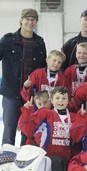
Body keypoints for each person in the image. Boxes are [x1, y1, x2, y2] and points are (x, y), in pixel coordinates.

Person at [0, 8, 47, 146]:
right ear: (21, 20)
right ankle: (5, 162)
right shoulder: (8, 40)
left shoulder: (39, 42)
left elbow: (42, 68)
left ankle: (23, 161)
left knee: (28, 129)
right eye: (27, 19)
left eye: (33, 19)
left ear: (36, 22)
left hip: (30, 95)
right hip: (11, 93)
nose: (30, 22)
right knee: (9, 129)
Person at [18, 86, 76, 162]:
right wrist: (27, 111)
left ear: (68, 101)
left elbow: (78, 138)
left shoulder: (73, 117)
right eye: (57, 98)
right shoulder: (44, 113)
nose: (60, 101)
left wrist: (81, 119)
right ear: (51, 100)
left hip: (64, 159)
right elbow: (28, 129)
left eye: (64, 98)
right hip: (46, 156)